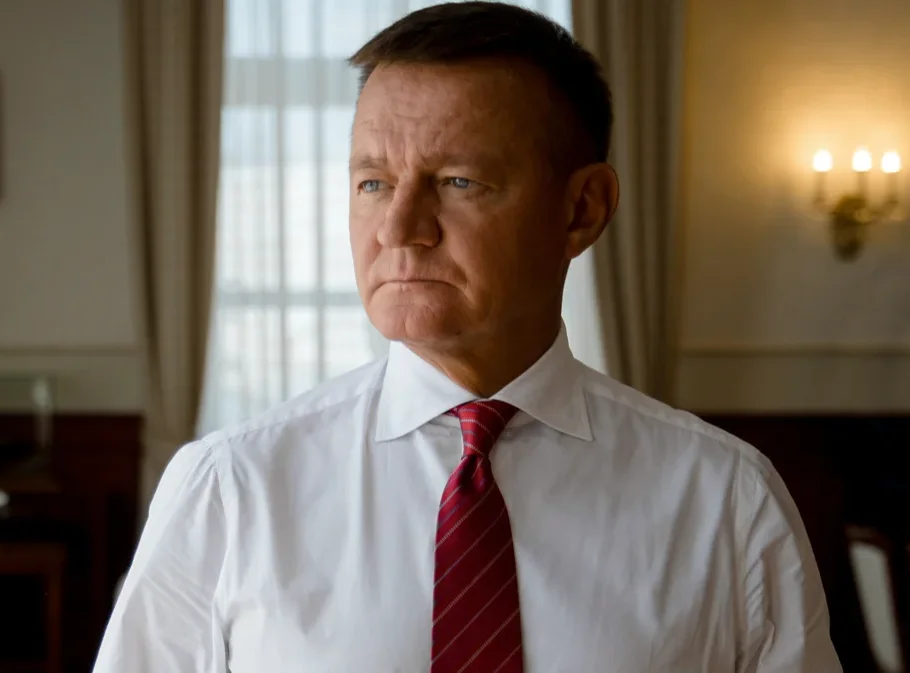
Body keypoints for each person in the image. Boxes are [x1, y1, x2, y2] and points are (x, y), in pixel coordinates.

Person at [93, 3, 842, 672]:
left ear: (582, 209)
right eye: (374, 183)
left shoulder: (726, 501)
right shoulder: (230, 490)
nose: (399, 229)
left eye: (458, 181)